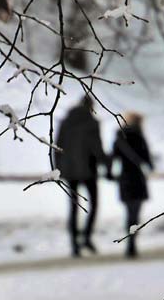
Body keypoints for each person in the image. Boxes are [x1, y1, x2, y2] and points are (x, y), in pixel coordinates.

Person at [54, 96, 108, 257]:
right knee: (94, 204)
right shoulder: (92, 123)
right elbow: (96, 147)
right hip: (89, 170)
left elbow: (57, 146)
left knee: (73, 207)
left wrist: (58, 168)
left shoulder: (65, 122)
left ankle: (74, 243)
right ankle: (86, 237)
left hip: (70, 171)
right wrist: (106, 163)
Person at [110, 112, 153, 257]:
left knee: (129, 213)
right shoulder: (140, 137)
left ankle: (130, 242)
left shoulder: (119, 138)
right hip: (138, 178)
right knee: (135, 213)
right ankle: (132, 243)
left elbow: (112, 157)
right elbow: (147, 159)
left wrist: (109, 174)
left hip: (125, 178)